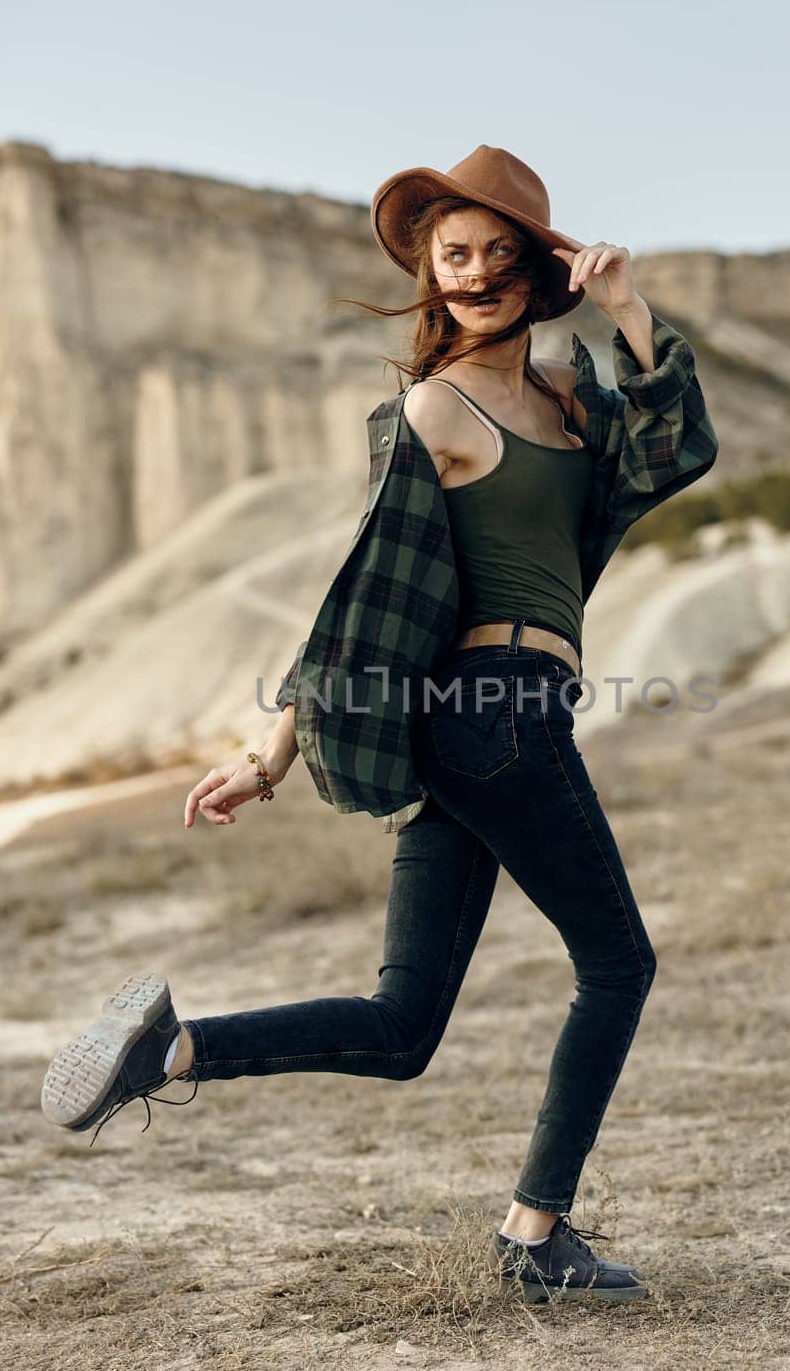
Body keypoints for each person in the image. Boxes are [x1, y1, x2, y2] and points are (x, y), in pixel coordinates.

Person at [40, 146, 720, 1305]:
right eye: (454, 254)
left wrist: (626, 307)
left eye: (503, 255)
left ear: (540, 272)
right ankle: (534, 1236)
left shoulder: (568, 401)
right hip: (491, 711)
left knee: (403, 1028)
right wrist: (269, 751)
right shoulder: (432, 408)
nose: (477, 274)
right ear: (429, 275)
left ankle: (170, 1049)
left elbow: (677, 451)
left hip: (488, 729)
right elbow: (364, 602)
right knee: (618, 964)